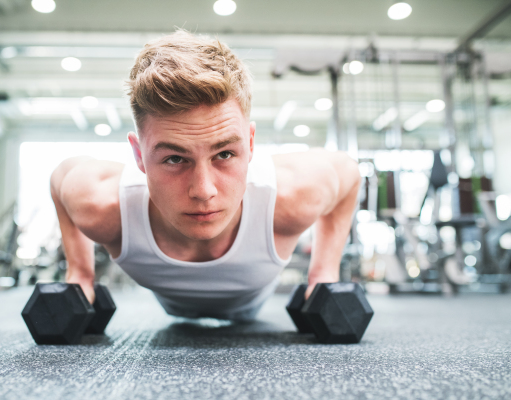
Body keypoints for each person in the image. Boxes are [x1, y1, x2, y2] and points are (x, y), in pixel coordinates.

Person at [50, 31, 360, 321]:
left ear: (250, 144)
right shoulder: (104, 207)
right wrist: (79, 274)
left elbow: (348, 171)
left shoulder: (291, 197)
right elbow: (60, 176)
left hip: (251, 309)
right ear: (138, 156)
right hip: (173, 311)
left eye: (224, 154)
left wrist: (323, 275)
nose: (203, 190)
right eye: (174, 158)